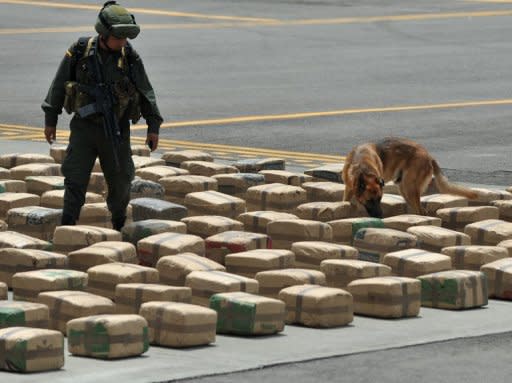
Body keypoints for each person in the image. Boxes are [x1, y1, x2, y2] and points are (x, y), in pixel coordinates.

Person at [42, 1, 163, 230]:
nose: (122, 42)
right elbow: (58, 85)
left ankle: (118, 225)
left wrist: (153, 126)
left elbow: (146, 91)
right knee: (75, 179)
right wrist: (51, 119)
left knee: (120, 181)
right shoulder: (79, 51)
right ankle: (68, 226)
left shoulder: (129, 57)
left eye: (125, 38)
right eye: (118, 38)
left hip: (116, 131)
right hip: (84, 129)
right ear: (104, 34)